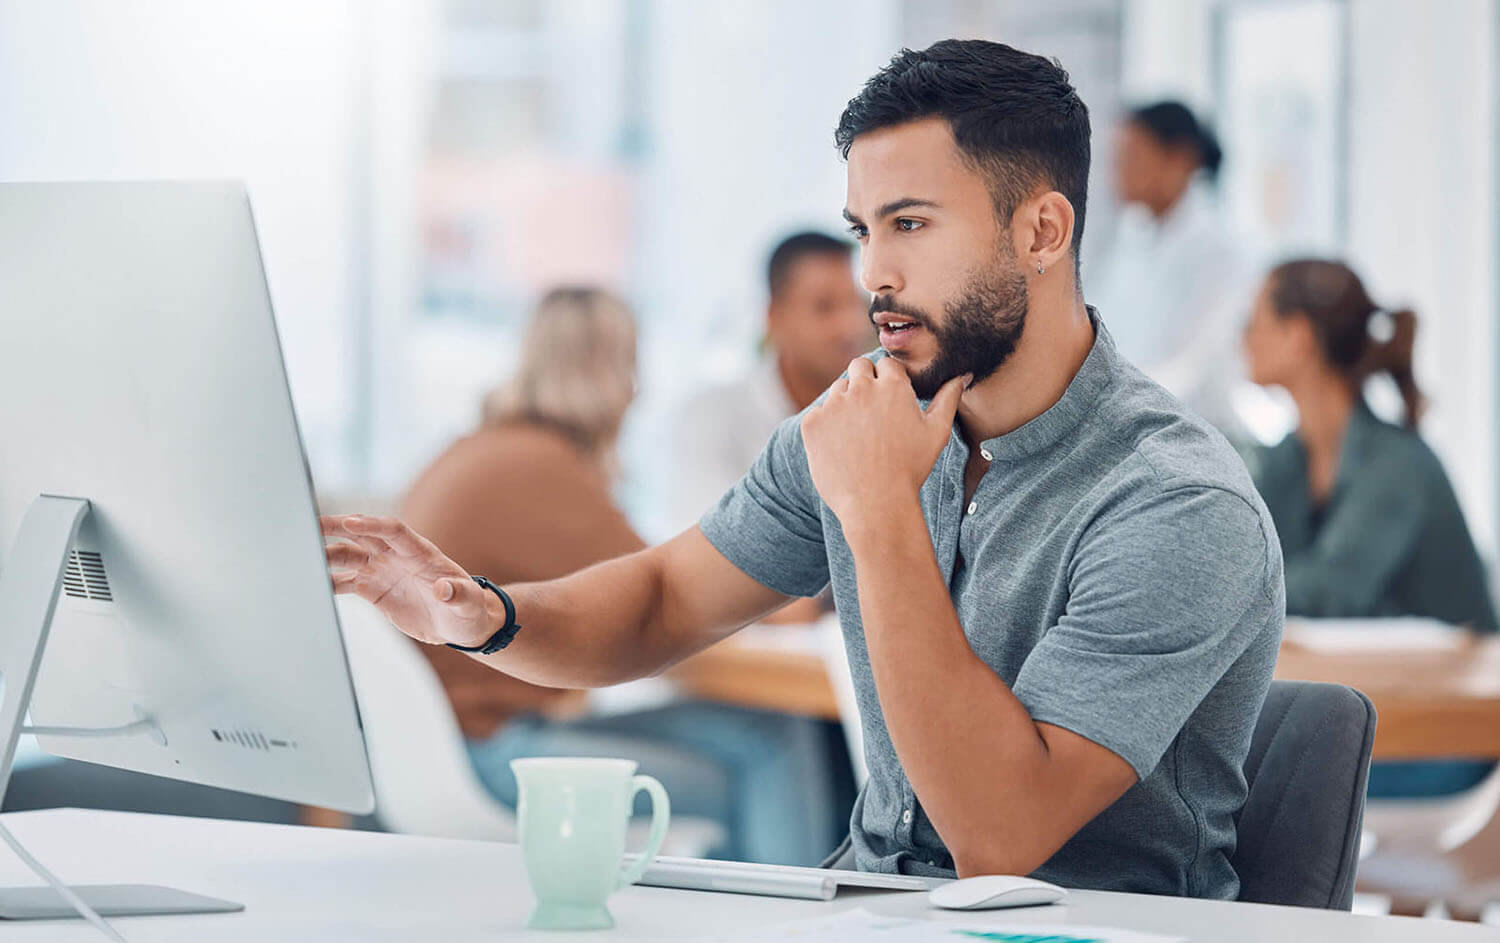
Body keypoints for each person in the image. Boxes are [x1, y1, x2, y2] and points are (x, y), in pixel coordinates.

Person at [326, 40, 1283, 897]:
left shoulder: (1175, 502)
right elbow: (663, 600)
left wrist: (877, 510)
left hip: (1086, 926)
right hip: (869, 906)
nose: (873, 274)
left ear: (1040, 232)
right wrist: (486, 613)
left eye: (909, 225)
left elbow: (1000, 834)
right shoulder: (858, 422)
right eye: (864, 229)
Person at [399, 286, 847, 864]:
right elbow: (683, 598)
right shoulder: (542, 468)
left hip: (454, 742)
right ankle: (795, 924)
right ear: (612, 373)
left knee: (771, 735)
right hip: (494, 754)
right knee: (772, 751)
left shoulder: (483, 450)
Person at [1241, 259, 1498, 797]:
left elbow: (1331, 589)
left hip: (1442, 735)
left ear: (1299, 336)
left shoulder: (1398, 463)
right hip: (1362, 713)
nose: (1244, 336)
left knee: (1255, 782)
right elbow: (1255, 562)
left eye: (1256, 320)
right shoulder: (1290, 458)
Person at [671, 231, 872, 534]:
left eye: (855, 304)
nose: (850, 326)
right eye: (824, 307)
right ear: (774, 316)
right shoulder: (712, 416)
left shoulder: (878, 412)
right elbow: (710, 546)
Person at [1087, 100, 1258, 437]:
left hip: (1190, 430)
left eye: (1131, 157)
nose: (1117, 171)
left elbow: (1192, 364)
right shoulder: (1133, 236)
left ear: (1179, 159)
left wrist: (1108, 405)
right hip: (1130, 419)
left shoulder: (1217, 246)